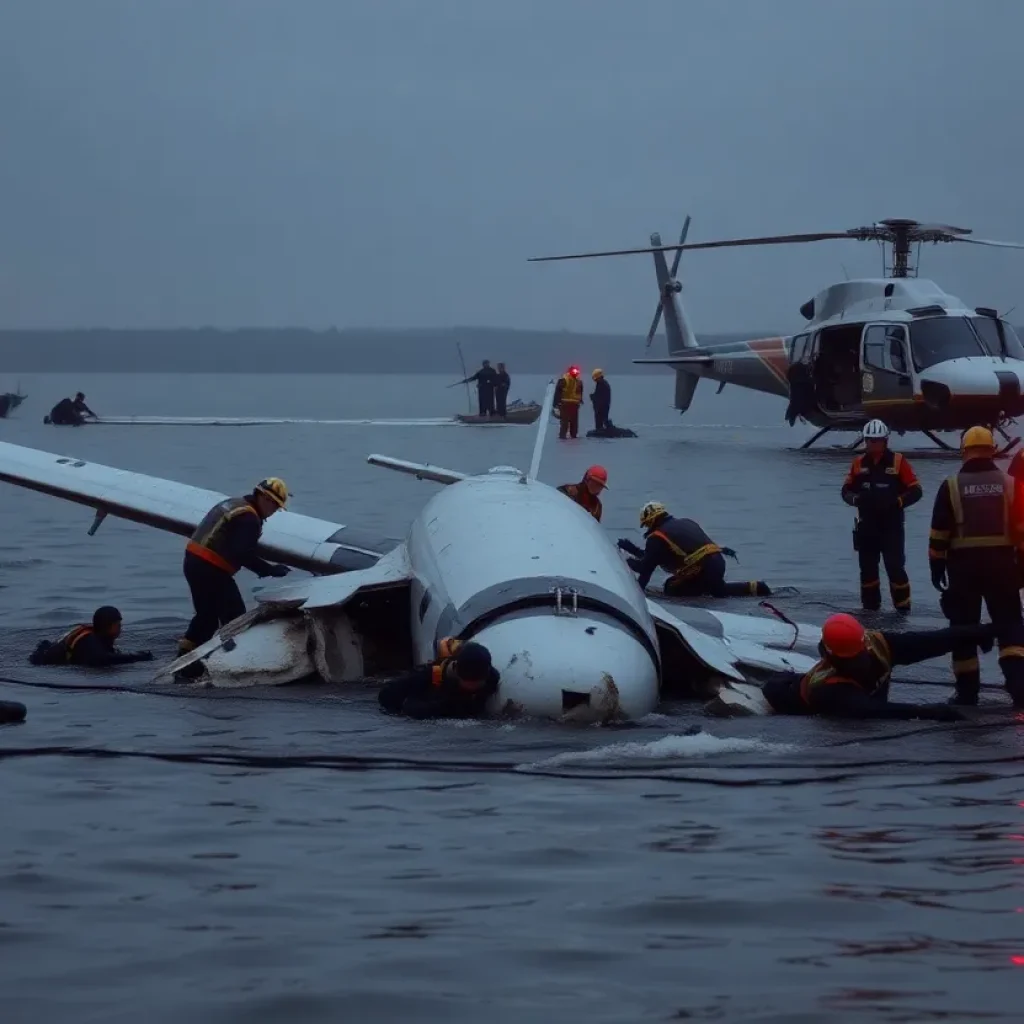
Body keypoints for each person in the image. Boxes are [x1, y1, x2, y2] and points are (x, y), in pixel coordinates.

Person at [928, 425, 1024, 707]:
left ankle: (967, 694)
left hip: (963, 571)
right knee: (1010, 629)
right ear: (993, 451)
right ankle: (1019, 688)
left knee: (963, 630)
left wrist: (937, 568)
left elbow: (939, 534)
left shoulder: (951, 486)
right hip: (1003, 568)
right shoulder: (1011, 484)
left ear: (964, 452)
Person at [760, 612, 991, 720]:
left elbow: (930, 641)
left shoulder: (879, 644)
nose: (862, 660)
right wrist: (928, 711)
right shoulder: (830, 689)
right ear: (836, 660)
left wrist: (978, 632)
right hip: (790, 694)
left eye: (862, 653)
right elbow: (875, 710)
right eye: (853, 659)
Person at [177, 478, 292, 659]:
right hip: (211, 568)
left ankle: (186, 655)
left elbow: (231, 540)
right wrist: (268, 569)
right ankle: (235, 658)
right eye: (275, 506)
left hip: (194, 561)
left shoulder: (235, 504)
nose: (274, 511)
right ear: (265, 499)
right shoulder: (249, 519)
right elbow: (241, 552)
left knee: (206, 615)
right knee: (236, 617)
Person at [842, 419, 922, 611]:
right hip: (867, 527)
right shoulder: (858, 463)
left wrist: (898, 502)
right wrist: (856, 500)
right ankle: (870, 611)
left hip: (891, 527)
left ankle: (903, 610)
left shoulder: (899, 462)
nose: (872, 444)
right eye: (869, 440)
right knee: (868, 571)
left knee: (895, 568)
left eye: (876, 440)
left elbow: (916, 491)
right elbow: (845, 491)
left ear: (885, 441)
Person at [617, 501, 771, 597]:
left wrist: (625, 564)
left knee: (670, 588)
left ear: (650, 522)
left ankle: (754, 588)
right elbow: (653, 558)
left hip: (703, 570)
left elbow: (646, 569)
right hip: (717, 562)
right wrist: (632, 549)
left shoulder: (657, 538)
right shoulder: (684, 522)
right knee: (718, 591)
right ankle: (756, 587)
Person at [378, 638, 500, 720]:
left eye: (477, 683)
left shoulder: (491, 678)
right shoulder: (431, 676)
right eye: (468, 683)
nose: (472, 688)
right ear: (456, 672)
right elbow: (386, 696)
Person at [29, 606, 153, 667]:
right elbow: (103, 659)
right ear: (110, 626)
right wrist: (137, 657)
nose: (121, 627)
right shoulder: (89, 643)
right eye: (118, 624)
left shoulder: (97, 637)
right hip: (43, 663)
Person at [553, 365, 583, 439]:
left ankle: (574, 436)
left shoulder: (579, 381)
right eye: (574, 371)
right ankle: (562, 436)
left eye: (576, 371)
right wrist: (556, 403)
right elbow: (558, 391)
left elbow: (580, 392)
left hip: (575, 404)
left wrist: (580, 400)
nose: (575, 373)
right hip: (565, 404)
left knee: (574, 422)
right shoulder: (564, 380)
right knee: (564, 422)